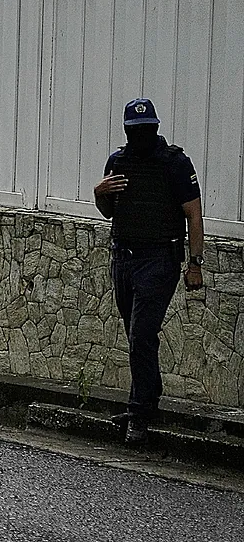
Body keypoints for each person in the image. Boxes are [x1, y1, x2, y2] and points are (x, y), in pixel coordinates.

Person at [93, 98, 203, 444]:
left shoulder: (174, 162)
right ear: (127, 130)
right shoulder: (118, 161)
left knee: (142, 334)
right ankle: (148, 396)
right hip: (124, 257)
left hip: (159, 258)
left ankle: (139, 412)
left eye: (147, 128)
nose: (142, 134)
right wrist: (99, 192)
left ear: (155, 127)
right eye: (136, 129)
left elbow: (194, 215)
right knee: (136, 334)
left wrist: (195, 264)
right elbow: (107, 212)